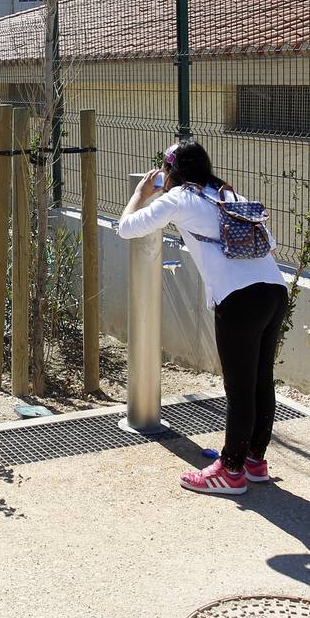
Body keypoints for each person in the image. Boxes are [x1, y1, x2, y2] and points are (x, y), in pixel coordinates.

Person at [117, 140, 287, 496]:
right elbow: (269, 244)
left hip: (239, 300)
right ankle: (255, 461)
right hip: (274, 290)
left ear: (171, 171)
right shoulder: (229, 194)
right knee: (260, 381)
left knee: (239, 389)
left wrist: (139, 192)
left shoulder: (179, 199)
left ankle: (230, 470)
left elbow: (127, 227)